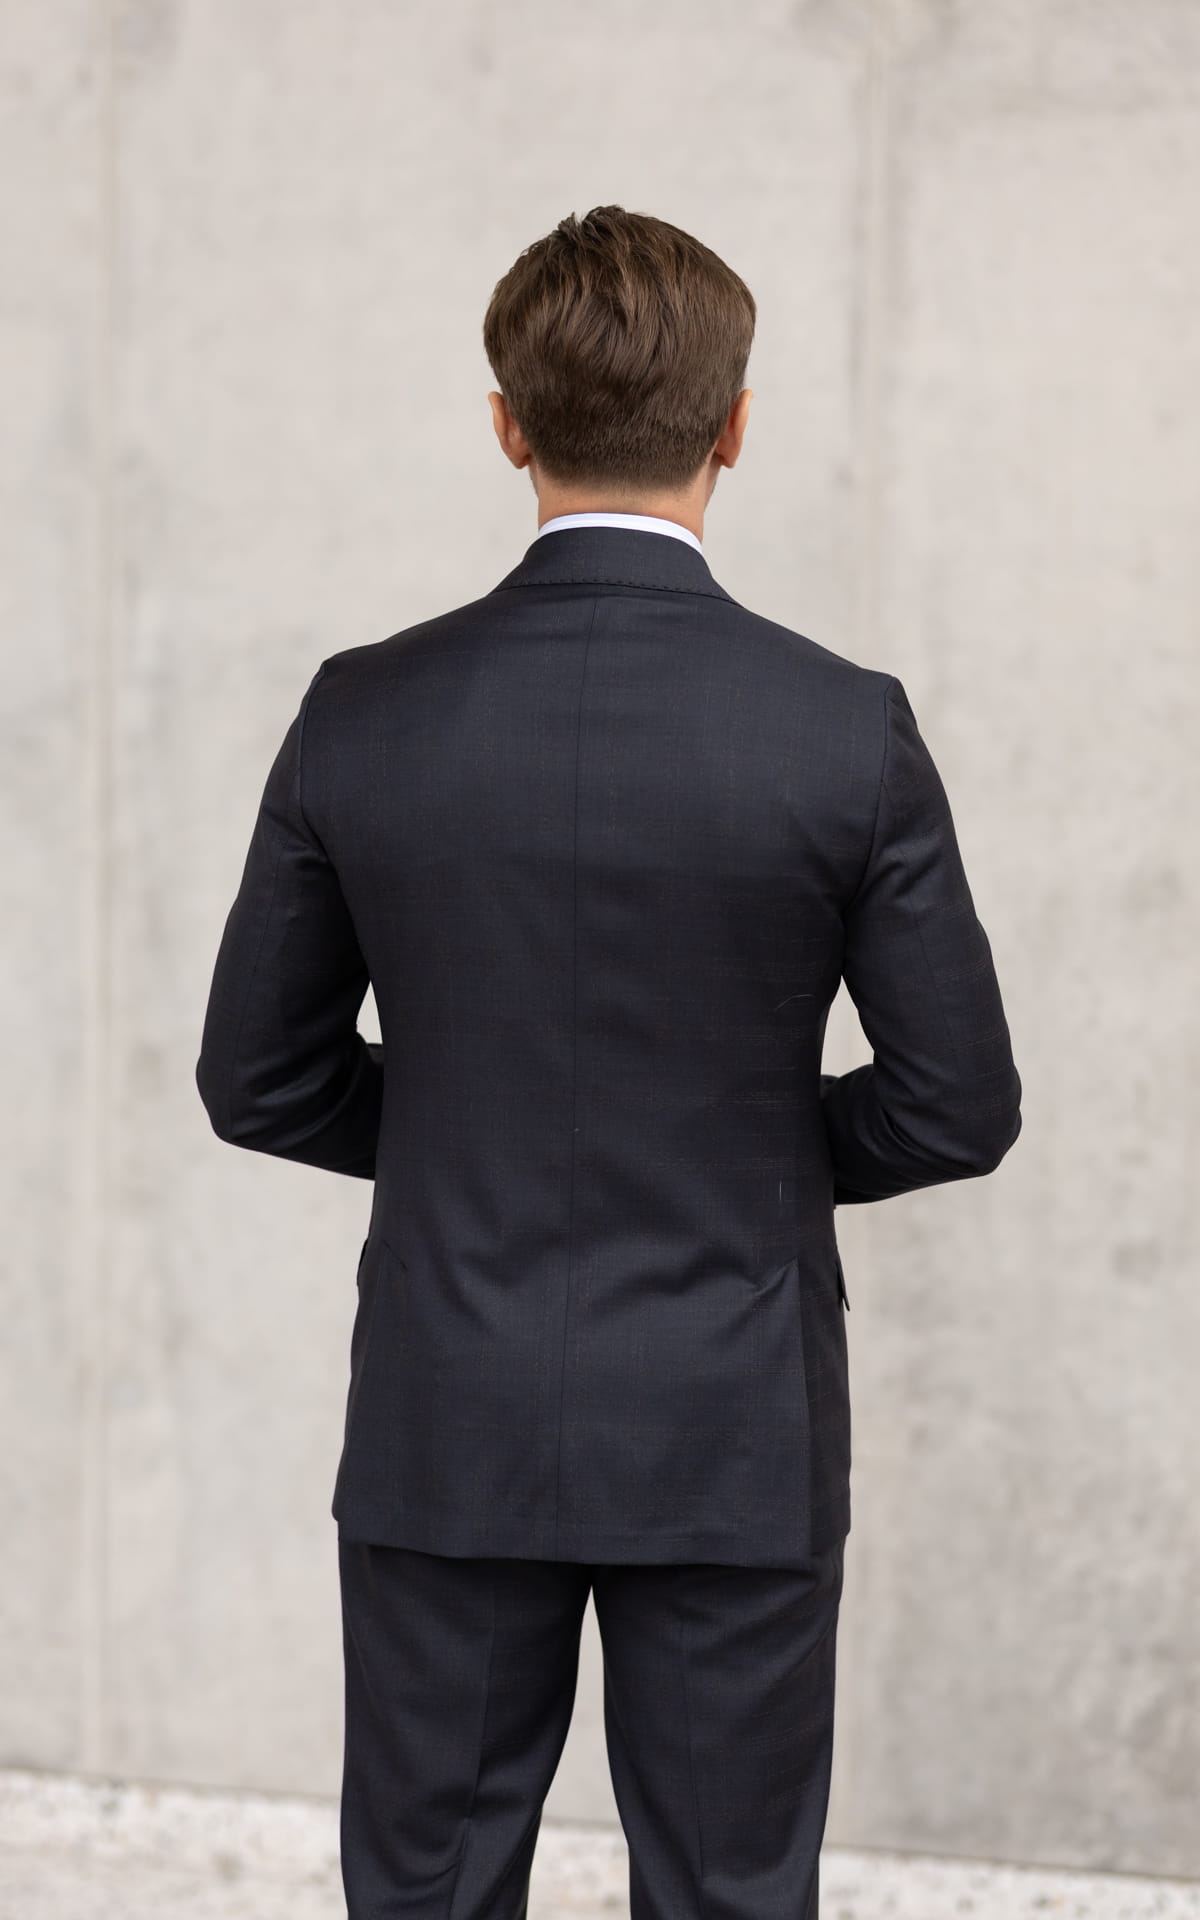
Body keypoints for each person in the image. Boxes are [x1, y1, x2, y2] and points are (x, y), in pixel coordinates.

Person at [196, 204, 1021, 1920]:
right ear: (737, 424)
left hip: (448, 1409)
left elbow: (258, 1079)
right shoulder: (841, 728)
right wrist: (743, 1152)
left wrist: (463, 1131)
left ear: (508, 425)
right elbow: (956, 1104)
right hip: (733, 1420)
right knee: (730, 1893)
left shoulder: (364, 709)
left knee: (425, 1892)